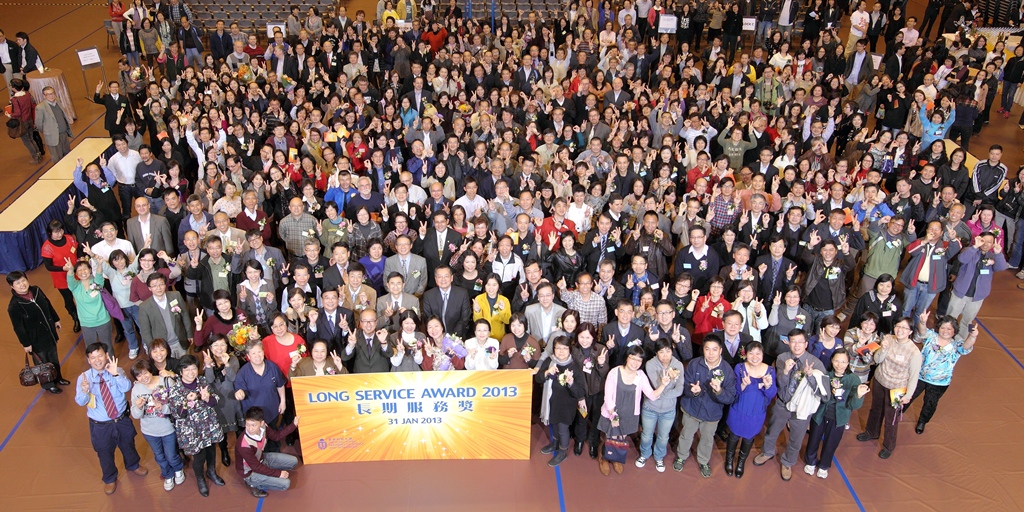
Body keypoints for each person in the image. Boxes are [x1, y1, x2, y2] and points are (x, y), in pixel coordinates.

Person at [753, 329, 828, 481]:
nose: (797, 345)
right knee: (772, 430)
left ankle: (788, 462)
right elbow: (779, 384)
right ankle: (767, 452)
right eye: (793, 341)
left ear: (806, 344)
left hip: (802, 408)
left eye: (800, 342)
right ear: (788, 343)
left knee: (796, 438)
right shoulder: (782, 358)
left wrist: (810, 377)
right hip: (782, 403)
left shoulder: (816, 363)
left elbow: (823, 393)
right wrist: (785, 371)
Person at [75, 344, 148, 494]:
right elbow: (81, 401)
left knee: (128, 443)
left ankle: (133, 464)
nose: (97, 360)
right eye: (93, 358)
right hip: (100, 425)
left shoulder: (117, 370)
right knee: (104, 451)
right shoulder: (84, 378)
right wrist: (84, 390)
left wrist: (116, 374)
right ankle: (109, 478)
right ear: (88, 360)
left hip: (121, 419)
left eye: (100, 356)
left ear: (106, 355)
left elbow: (126, 387)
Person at [598, 345, 672, 476]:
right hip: (613, 412)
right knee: (609, 436)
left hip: (629, 413)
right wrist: (613, 415)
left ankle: (616, 459)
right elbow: (608, 396)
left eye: (639, 360)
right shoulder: (614, 372)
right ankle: (604, 458)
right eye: (633, 358)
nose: (635, 363)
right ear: (627, 358)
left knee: (621, 437)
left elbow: (652, 395)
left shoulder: (641, 375)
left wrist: (663, 385)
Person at [856, 316, 922, 458]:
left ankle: (888, 445)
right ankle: (871, 432)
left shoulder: (914, 352)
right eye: (898, 326)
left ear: (910, 332)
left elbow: (914, 376)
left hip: (898, 388)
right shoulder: (888, 339)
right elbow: (877, 359)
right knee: (875, 409)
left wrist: (908, 395)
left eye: (905, 328)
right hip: (880, 381)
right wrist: (884, 348)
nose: (900, 330)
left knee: (891, 418)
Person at [673, 335, 737, 478]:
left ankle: (703, 461)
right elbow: (683, 386)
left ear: (720, 350)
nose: (711, 353)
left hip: (712, 413)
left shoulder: (727, 370)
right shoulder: (694, 364)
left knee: (707, 439)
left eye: (714, 349)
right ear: (703, 349)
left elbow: (730, 397)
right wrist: (692, 391)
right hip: (691, 409)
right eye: (707, 349)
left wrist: (719, 391)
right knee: (686, 435)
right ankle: (681, 456)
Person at [803, 349, 869, 479]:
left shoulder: (853, 379)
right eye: (837, 361)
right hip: (820, 414)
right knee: (814, 438)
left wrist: (858, 395)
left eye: (843, 362)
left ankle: (824, 465)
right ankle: (810, 462)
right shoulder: (825, 375)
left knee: (831, 443)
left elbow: (854, 406)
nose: (840, 365)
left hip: (839, 418)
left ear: (848, 363)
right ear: (831, 360)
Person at [908, 313, 977, 434]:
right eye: (943, 327)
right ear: (938, 328)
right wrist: (923, 322)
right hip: (919, 376)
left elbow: (966, 347)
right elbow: (922, 332)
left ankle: (922, 421)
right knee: (908, 396)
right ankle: (896, 413)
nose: (945, 331)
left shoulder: (957, 345)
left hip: (940, 382)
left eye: (949, 328)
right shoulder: (931, 337)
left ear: (954, 331)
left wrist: (972, 336)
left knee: (930, 403)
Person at [168, 354, 225, 496]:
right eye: (187, 370)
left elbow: (214, 401)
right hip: (191, 431)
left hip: (208, 425)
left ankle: (211, 471)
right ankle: (200, 478)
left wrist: (207, 398)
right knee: (199, 456)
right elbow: (179, 414)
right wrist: (187, 402)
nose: (191, 372)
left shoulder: (202, 381)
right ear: (181, 372)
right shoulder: (176, 390)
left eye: (193, 369)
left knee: (211, 450)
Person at [7, 271, 70, 394]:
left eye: (23, 280)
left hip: (49, 332)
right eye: (18, 283)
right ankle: (48, 384)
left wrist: (56, 319)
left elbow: (48, 304)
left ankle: (58, 377)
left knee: (53, 357)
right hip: (35, 339)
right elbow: (18, 327)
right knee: (42, 362)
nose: (22, 284)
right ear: (12, 287)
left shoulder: (36, 290)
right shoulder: (14, 305)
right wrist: (25, 343)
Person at [130, 359, 186, 491]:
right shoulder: (136, 389)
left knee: (171, 455)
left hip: (167, 428)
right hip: (149, 430)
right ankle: (167, 474)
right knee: (159, 456)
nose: (143, 377)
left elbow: (177, 406)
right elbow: (136, 415)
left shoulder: (165, 382)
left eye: (145, 373)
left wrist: (162, 408)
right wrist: (138, 407)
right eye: (139, 375)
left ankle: (178, 469)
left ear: (150, 370)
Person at [724, 341, 777, 478]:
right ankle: (729, 460)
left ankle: (741, 463)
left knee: (748, 439)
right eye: (751, 353)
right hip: (739, 408)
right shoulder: (739, 368)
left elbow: (771, 395)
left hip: (756, 411)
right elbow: (734, 392)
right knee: (734, 436)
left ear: (763, 355)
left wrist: (767, 386)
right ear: (745, 354)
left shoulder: (770, 371)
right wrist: (742, 384)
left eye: (758, 353)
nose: (754, 356)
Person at [536, 336, 586, 467]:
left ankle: (563, 452)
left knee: (563, 429)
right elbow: (538, 379)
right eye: (558, 348)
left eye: (565, 348)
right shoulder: (550, 361)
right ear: (553, 349)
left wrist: (571, 383)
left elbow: (580, 392)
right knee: (554, 426)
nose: (561, 351)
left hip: (566, 405)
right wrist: (546, 372)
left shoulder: (575, 366)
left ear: (570, 350)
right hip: (551, 403)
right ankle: (555, 444)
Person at [636, 338, 685, 473]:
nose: (665, 355)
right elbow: (656, 387)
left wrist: (660, 392)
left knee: (664, 437)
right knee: (646, 435)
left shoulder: (678, 365)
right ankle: (644, 454)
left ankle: (659, 456)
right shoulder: (650, 364)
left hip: (669, 409)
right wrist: (664, 387)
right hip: (650, 407)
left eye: (668, 351)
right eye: (661, 352)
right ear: (656, 353)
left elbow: (679, 390)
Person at [236, 406, 299, 498]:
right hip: (250, 471)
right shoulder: (244, 445)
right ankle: (252, 483)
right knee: (286, 483)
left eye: (253, 425)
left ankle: (265, 474)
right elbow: (256, 467)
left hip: (262, 458)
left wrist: (293, 425)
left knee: (294, 461)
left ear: (262, 423)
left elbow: (277, 436)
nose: (250, 428)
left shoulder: (264, 427)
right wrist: (278, 473)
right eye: (247, 424)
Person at [202, 333, 243, 467]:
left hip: (233, 397)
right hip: (218, 399)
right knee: (222, 429)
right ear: (210, 347)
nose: (219, 348)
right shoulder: (208, 360)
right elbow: (209, 380)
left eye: (222, 344)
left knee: (239, 428)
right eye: (216, 345)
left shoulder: (233, 359)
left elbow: (232, 378)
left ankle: (242, 451)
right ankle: (224, 450)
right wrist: (208, 366)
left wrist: (226, 364)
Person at [234, 340, 287, 429]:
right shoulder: (242, 373)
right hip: (254, 418)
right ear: (248, 356)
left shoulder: (272, 367)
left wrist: (283, 401)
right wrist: (240, 394)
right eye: (253, 353)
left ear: (263, 352)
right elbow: (239, 391)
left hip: (272, 411)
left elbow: (280, 385)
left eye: (259, 352)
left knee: (273, 436)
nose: (257, 355)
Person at [65, 260, 115, 355]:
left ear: (90, 270)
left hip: (102, 320)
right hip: (86, 324)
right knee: (90, 349)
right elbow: (70, 280)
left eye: (85, 269)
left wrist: (100, 264)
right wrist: (70, 270)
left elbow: (99, 276)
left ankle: (112, 367)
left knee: (107, 346)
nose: (83, 272)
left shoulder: (95, 284)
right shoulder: (75, 287)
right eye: (79, 270)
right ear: (76, 273)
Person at [34, 85, 74, 163]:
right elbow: (38, 124)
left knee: (67, 154)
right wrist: (48, 132)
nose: (51, 96)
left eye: (52, 93)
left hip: (64, 134)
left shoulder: (58, 101)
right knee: (57, 158)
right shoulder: (40, 107)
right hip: (52, 137)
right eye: (48, 94)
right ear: (44, 96)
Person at [6, 77, 42, 163]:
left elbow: (18, 113)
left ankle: (35, 157)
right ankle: (38, 153)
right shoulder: (27, 94)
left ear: (13, 88)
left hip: (22, 122)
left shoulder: (15, 99)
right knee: (31, 138)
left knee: (26, 141)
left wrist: (10, 115)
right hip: (29, 119)